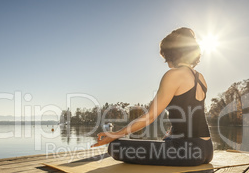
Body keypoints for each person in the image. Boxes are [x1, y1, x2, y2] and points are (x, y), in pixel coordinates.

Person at [91, 27, 213, 166]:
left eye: (166, 58)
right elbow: (190, 112)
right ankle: (171, 140)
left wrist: (116, 134)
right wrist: (173, 133)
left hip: (188, 152)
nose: (167, 63)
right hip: (207, 150)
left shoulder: (173, 75)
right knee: (166, 141)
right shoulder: (200, 78)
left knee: (115, 147)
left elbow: (150, 116)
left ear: (172, 54)